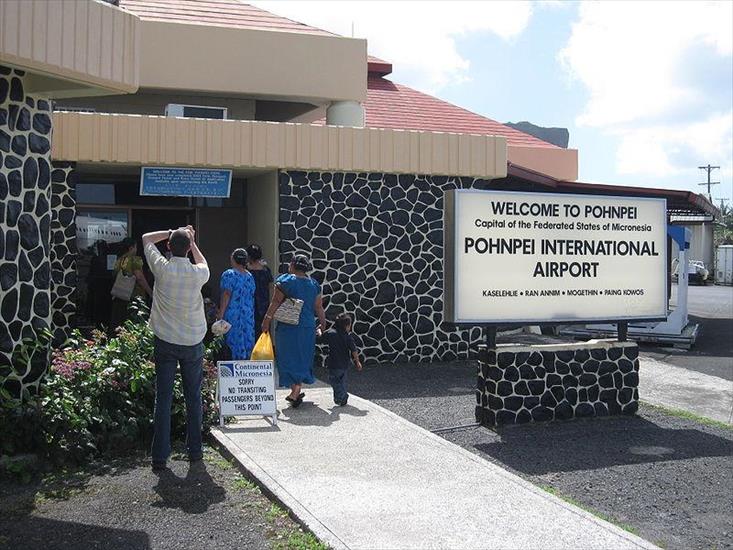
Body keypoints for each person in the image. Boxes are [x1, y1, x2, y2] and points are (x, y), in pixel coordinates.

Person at [142, 225, 210, 472]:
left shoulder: (162, 268)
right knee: (193, 396)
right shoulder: (198, 273)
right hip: (193, 340)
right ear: (189, 248)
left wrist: (172, 231)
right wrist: (192, 240)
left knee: (164, 397)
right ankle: (195, 451)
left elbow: (146, 237)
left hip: (166, 340)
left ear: (169, 246)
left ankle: (159, 457)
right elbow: (203, 262)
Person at [262, 254, 326, 408]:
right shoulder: (314, 284)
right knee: (303, 356)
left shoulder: (286, 281)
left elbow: (276, 302)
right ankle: (296, 390)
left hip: (288, 326)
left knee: (286, 356)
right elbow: (318, 307)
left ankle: (295, 389)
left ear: (292, 265)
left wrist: (266, 320)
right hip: (307, 326)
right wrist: (323, 323)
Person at [217, 248, 256, 360]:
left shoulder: (229, 274)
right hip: (248, 314)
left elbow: (226, 294)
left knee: (232, 340)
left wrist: (221, 313)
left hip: (233, 314)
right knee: (246, 338)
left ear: (233, 259)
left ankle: (233, 366)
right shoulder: (249, 276)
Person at [318, 313, 363, 406]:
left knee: (334, 381)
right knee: (341, 381)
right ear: (347, 326)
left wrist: (318, 330)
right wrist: (357, 361)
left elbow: (321, 338)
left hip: (334, 364)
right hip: (345, 364)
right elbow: (354, 350)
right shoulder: (348, 337)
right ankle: (340, 399)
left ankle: (342, 396)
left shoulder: (331, 333)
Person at [110, 237, 153, 330]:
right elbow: (140, 277)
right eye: (135, 247)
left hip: (119, 296)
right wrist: (150, 292)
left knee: (119, 324)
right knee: (133, 325)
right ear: (131, 248)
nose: (136, 249)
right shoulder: (134, 259)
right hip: (133, 297)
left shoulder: (118, 260)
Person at [246, 244, 274, 340]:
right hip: (263, 305)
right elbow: (271, 287)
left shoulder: (246, 271)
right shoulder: (266, 270)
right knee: (263, 332)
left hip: (249, 305)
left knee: (250, 332)